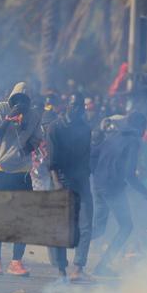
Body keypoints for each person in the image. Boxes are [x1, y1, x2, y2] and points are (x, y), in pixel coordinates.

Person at [0, 82, 42, 276]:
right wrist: (9, 119)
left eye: (24, 101)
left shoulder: (34, 115)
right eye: (17, 100)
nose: (21, 104)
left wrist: (26, 146)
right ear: (12, 99)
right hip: (0, 169)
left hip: (22, 171)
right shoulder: (1, 109)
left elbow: (36, 140)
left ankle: (16, 261)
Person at [90, 111, 147, 277]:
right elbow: (129, 174)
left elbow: (93, 155)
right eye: (144, 126)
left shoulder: (113, 136)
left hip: (98, 184)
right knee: (126, 226)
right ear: (140, 127)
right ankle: (102, 266)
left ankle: (70, 239)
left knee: (99, 228)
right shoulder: (133, 142)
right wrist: (145, 192)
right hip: (112, 188)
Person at [46, 93, 93, 282]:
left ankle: (78, 267)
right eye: (74, 105)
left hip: (81, 181)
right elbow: (52, 161)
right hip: (61, 180)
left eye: (81, 106)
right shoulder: (55, 128)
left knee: (86, 225)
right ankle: (61, 269)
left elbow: (87, 155)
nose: (77, 109)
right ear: (67, 106)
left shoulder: (85, 129)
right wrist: (57, 184)